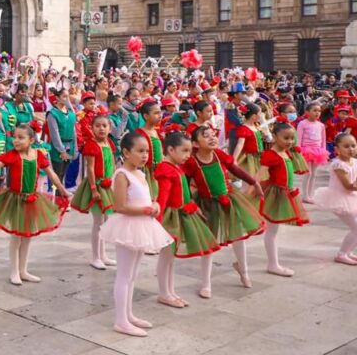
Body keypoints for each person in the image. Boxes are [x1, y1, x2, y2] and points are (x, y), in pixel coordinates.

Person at [0, 123, 69, 286]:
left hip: (32, 199)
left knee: (27, 237)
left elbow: (53, 175)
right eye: (14, 137)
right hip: (15, 200)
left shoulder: (38, 155)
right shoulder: (12, 155)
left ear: (31, 140)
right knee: (16, 237)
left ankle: (23, 270)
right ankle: (14, 271)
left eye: (21, 138)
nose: (16, 140)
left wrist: (63, 191)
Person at [101, 132, 173, 337]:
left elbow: (148, 198)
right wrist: (145, 210)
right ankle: (120, 320)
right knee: (124, 275)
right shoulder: (122, 174)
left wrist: (155, 205)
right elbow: (120, 206)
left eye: (147, 151)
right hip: (128, 226)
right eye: (140, 151)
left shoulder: (141, 174)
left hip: (142, 225)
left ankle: (129, 314)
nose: (145, 155)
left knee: (132, 274)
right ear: (126, 152)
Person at [185, 125, 265, 297]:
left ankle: (244, 271)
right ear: (195, 144)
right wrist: (190, 201)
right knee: (209, 242)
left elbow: (235, 169)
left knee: (238, 237)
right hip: (207, 205)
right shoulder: (192, 162)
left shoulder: (219, 155)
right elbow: (185, 182)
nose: (212, 138)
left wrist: (254, 182)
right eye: (206, 136)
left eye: (213, 135)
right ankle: (206, 283)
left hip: (230, 199)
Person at [154, 132, 220, 309]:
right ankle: (163, 293)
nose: (187, 156)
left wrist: (191, 204)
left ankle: (170, 291)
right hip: (170, 218)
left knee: (171, 258)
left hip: (180, 214)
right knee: (166, 257)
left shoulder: (176, 167)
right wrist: (157, 223)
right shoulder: (166, 169)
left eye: (189, 151)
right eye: (184, 151)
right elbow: (162, 198)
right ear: (170, 149)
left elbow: (184, 192)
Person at [260, 121, 310, 277]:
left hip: (285, 193)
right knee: (271, 230)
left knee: (273, 230)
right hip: (275, 195)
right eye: (286, 138)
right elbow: (260, 176)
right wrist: (252, 193)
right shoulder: (270, 155)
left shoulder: (285, 152)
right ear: (274, 137)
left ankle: (273, 263)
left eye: (292, 138)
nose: (289, 141)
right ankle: (273, 264)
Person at [70, 115, 117, 270]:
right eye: (97, 125)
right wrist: (93, 188)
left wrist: (115, 181)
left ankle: (103, 255)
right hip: (96, 185)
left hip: (108, 185)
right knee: (98, 222)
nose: (101, 128)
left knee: (106, 221)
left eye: (104, 125)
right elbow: (90, 168)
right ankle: (95, 257)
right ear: (92, 128)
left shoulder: (109, 143)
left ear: (109, 128)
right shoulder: (91, 144)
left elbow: (113, 164)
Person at [313, 133, 357, 265]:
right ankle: (341, 254)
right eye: (346, 146)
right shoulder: (338, 165)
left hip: (351, 198)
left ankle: (348, 252)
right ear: (337, 149)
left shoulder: (354, 162)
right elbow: (348, 186)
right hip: (339, 199)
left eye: (353, 145)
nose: (351, 149)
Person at [45, 88, 78, 189]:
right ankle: (57, 199)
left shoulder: (71, 114)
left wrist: (75, 148)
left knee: (63, 174)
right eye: (64, 96)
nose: (66, 99)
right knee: (57, 176)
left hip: (70, 146)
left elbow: (74, 132)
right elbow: (54, 134)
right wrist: (62, 150)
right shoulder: (52, 114)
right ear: (57, 98)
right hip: (58, 148)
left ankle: (61, 200)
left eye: (68, 96)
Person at [297, 102, 328, 204]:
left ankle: (311, 194)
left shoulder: (321, 125)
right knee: (308, 173)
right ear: (307, 112)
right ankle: (305, 195)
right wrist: (298, 150)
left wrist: (323, 150)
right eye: (314, 110)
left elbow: (323, 139)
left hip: (318, 151)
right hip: (306, 150)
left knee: (314, 174)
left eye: (319, 111)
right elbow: (299, 138)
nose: (317, 113)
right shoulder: (302, 123)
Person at [232, 102, 266, 180]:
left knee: (259, 179)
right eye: (260, 113)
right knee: (250, 179)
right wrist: (234, 159)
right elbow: (240, 145)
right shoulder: (244, 128)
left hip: (259, 157)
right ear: (254, 116)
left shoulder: (255, 125)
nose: (261, 115)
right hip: (250, 159)